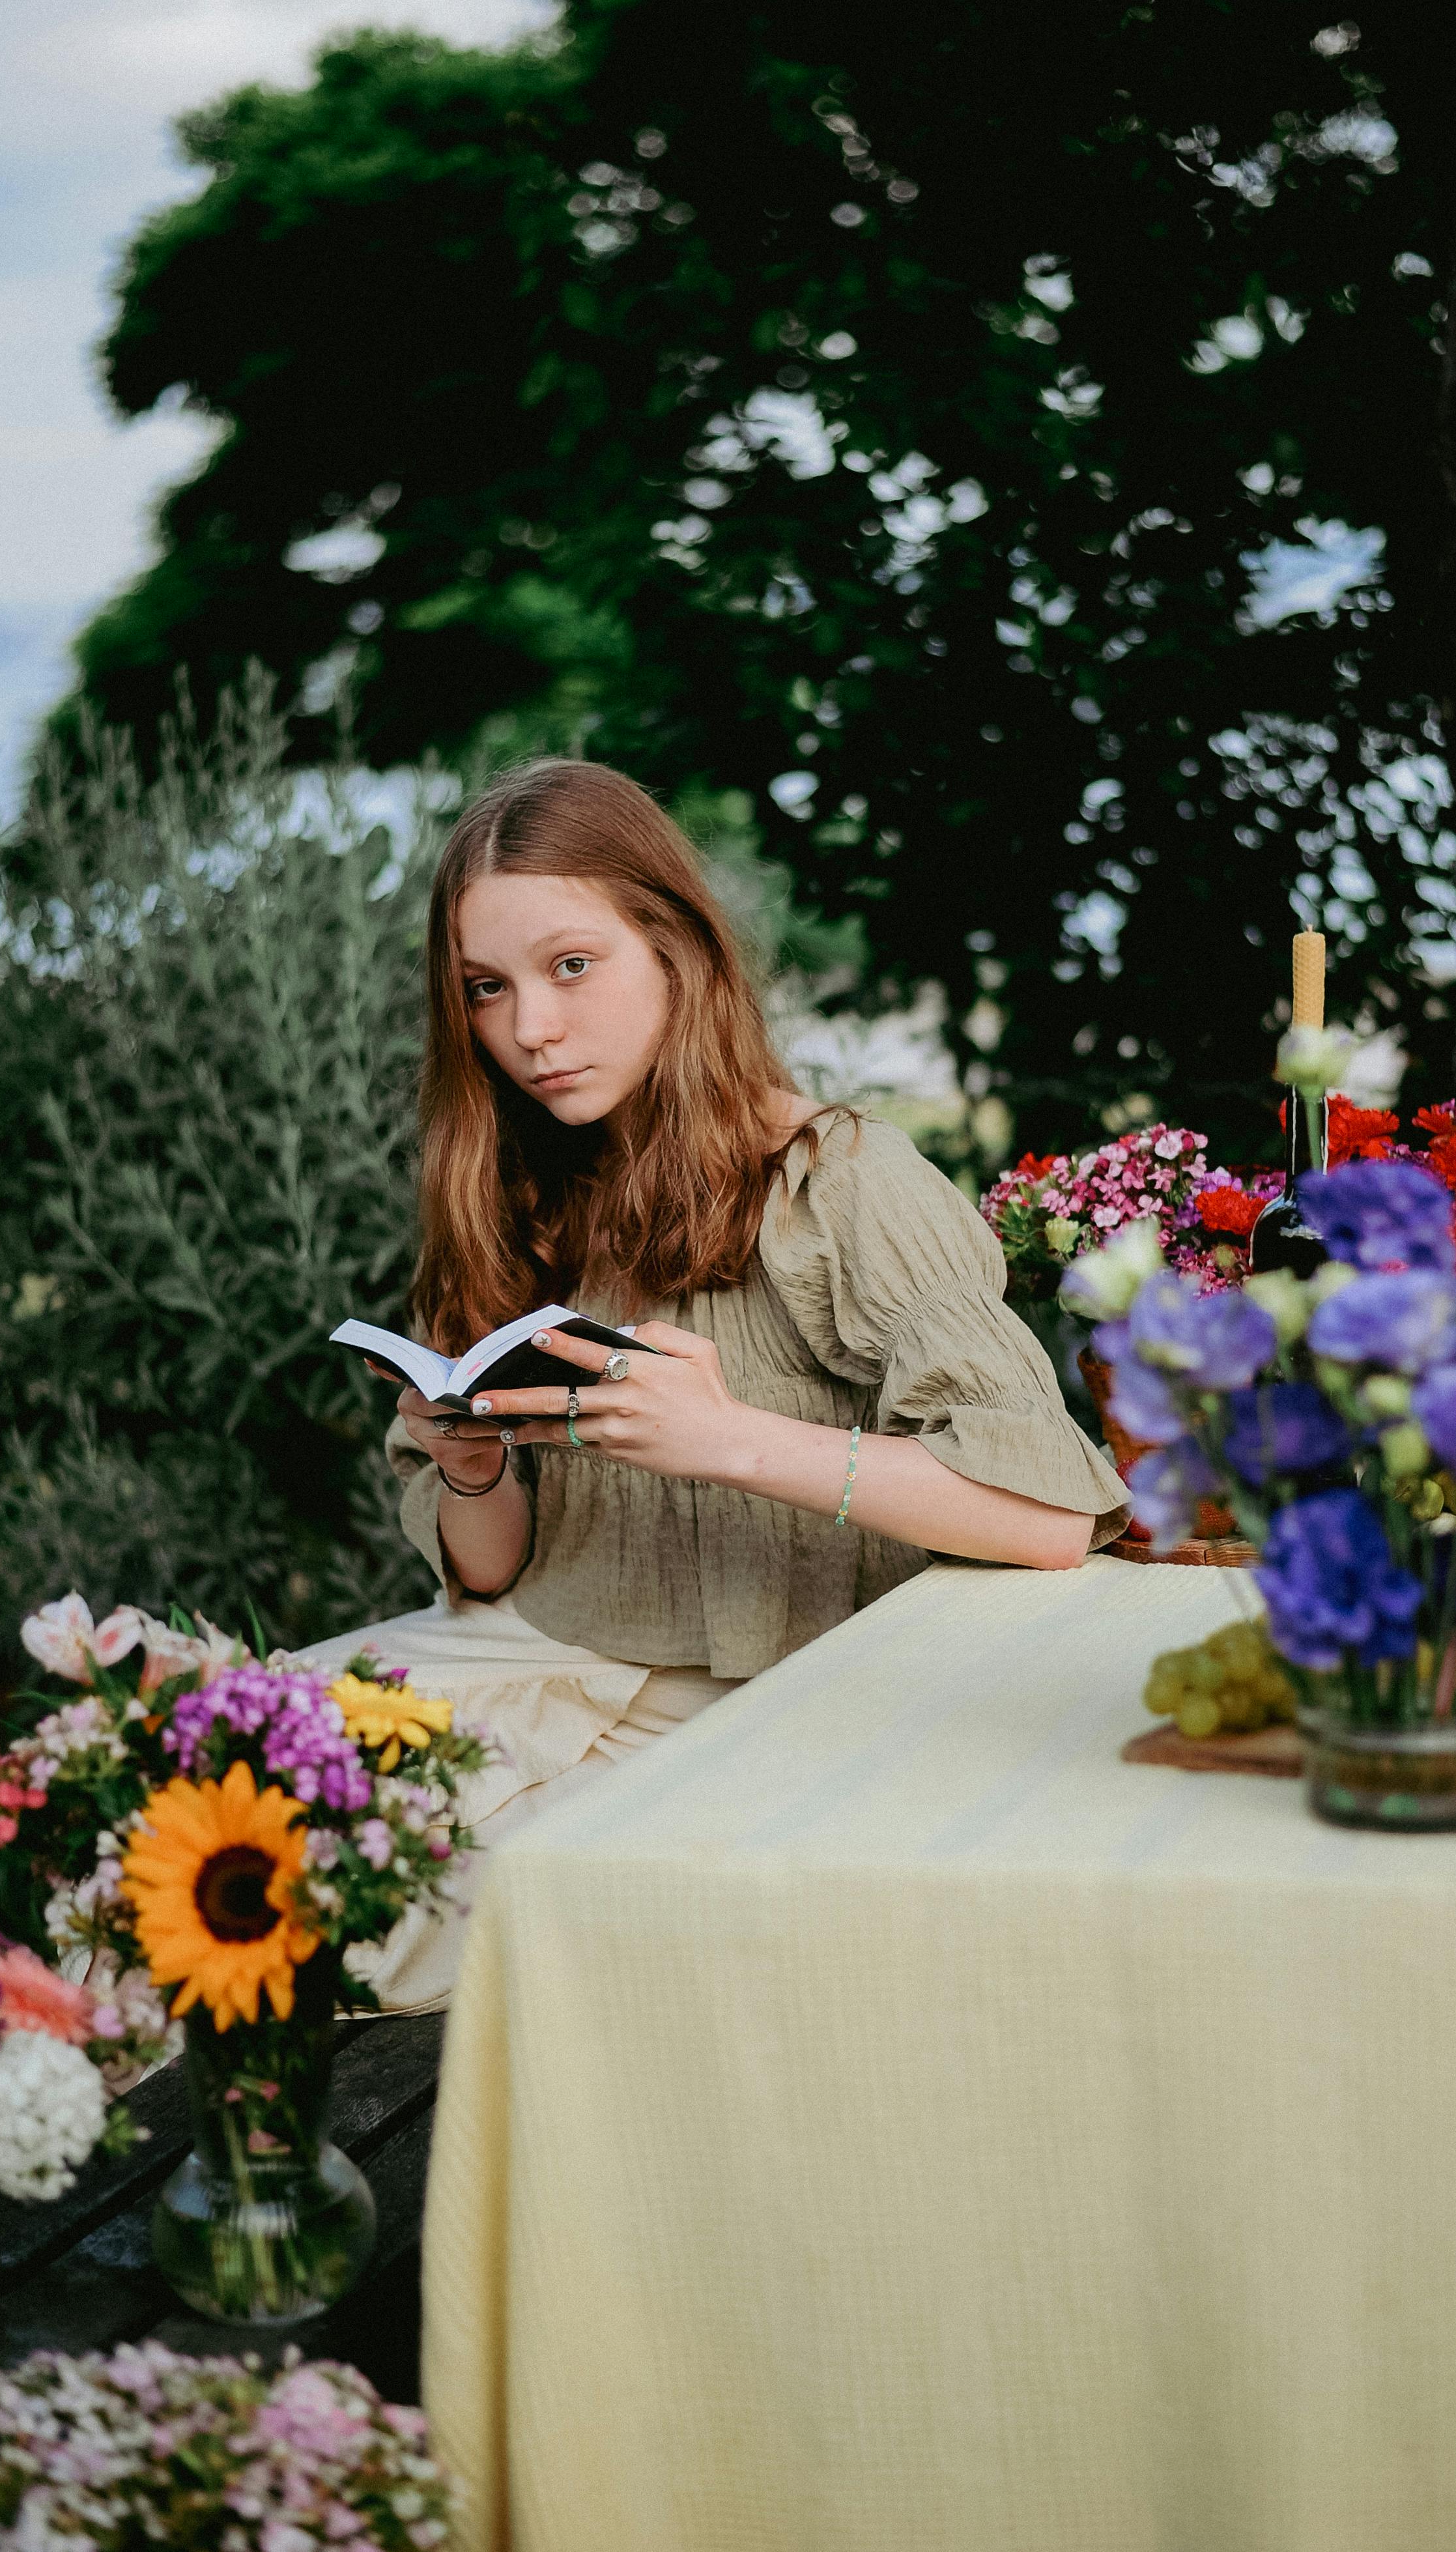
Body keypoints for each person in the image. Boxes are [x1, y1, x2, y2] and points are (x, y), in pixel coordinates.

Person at [302, 758, 1128, 2006]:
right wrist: (474, 1467)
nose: (531, 1027)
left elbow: (1053, 1515)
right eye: (488, 988)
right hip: (535, 1661)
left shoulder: (837, 1180)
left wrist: (731, 1438)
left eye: (571, 965)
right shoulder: (509, 1202)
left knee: (402, 1918)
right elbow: (485, 1569)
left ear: (676, 950)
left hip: (775, 1713)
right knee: (212, 1788)